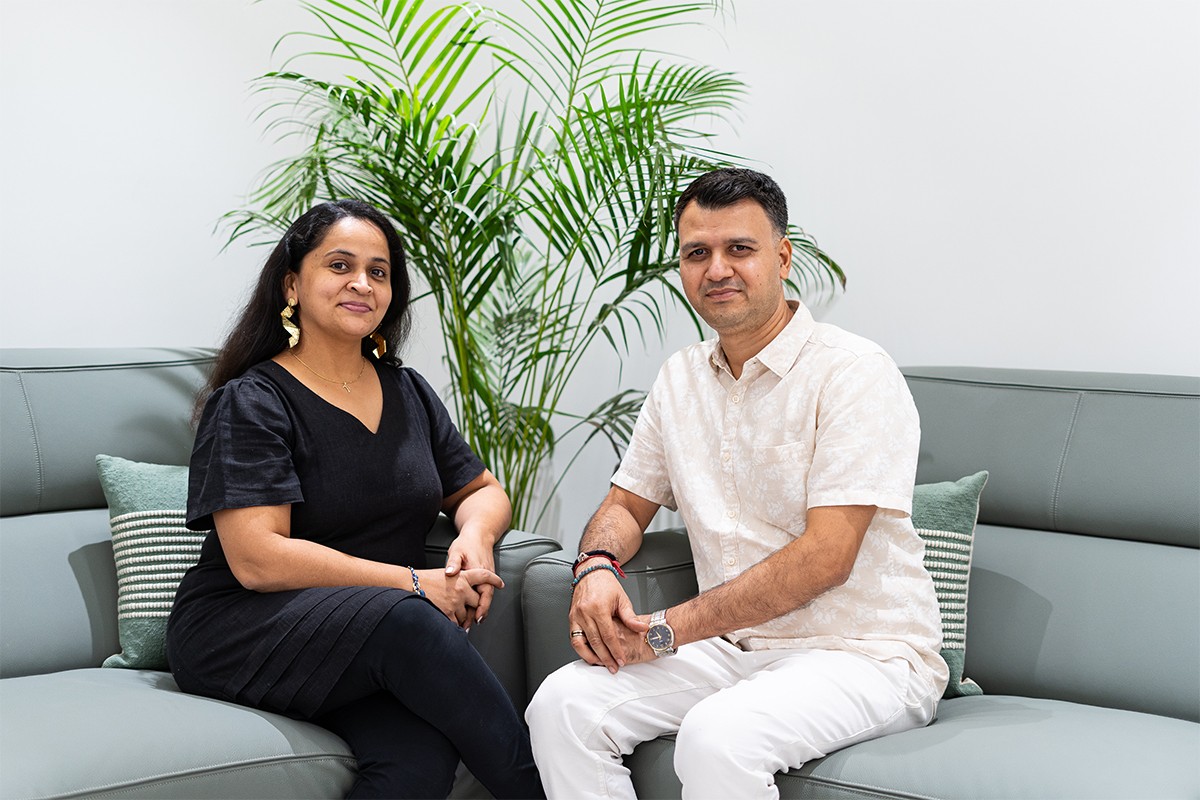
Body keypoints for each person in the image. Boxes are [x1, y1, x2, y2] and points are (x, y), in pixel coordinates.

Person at [525, 168, 948, 799]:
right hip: (734, 648)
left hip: (866, 654)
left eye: (739, 249)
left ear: (782, 258)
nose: (717, 269)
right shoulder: (679, 380)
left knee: (717, 737)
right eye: (697, 253)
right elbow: (625, 505)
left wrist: (665, 630)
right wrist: (595, 566)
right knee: (563, 706)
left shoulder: (854, 372)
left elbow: (826, 557)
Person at [165, 199, 544, 800]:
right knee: (411, 622)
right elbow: (258, 559)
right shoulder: (253, 400)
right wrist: (415, 584)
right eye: (340, 266)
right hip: (243, 628)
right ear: (292, 284)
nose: (362, 284)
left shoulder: (408, 391)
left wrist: (475, 537)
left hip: (361, 633)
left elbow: (481, 491)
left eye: (378, 271)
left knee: (418, 762)